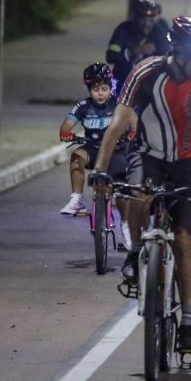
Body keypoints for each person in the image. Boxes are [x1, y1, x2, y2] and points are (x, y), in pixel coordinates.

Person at [91, 16, 191, 352]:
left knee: (183, 239)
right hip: (148, 155)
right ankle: (138, 250)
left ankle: (188, 322)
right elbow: (117, 122)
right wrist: (99, 169)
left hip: (189, 162)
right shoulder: (145, 71)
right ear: (181, 54)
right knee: (137, 195)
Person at [58, 64, 134, 250]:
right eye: (95, 89)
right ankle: (76, 199)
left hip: (115, 150)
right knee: (77, 155)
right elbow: (66, 126)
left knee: (120, 191)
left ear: (111, 88)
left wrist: (132, 134)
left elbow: (134, 123)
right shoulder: (83, 106)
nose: (100, 93)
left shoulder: (119, 105)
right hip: (93, 147)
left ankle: (126, 227)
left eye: (104, 89)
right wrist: (66, 133)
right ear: (89, 89)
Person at [106, 0, 170, 91]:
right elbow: (111, 56)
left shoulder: (160, 32)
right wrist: (132, 51)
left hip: (150, 83)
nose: (146, 24)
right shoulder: (123, 30)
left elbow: (167, 57)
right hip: (124, 80)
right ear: (135, 18)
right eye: (142, 19)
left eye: (150, 20)